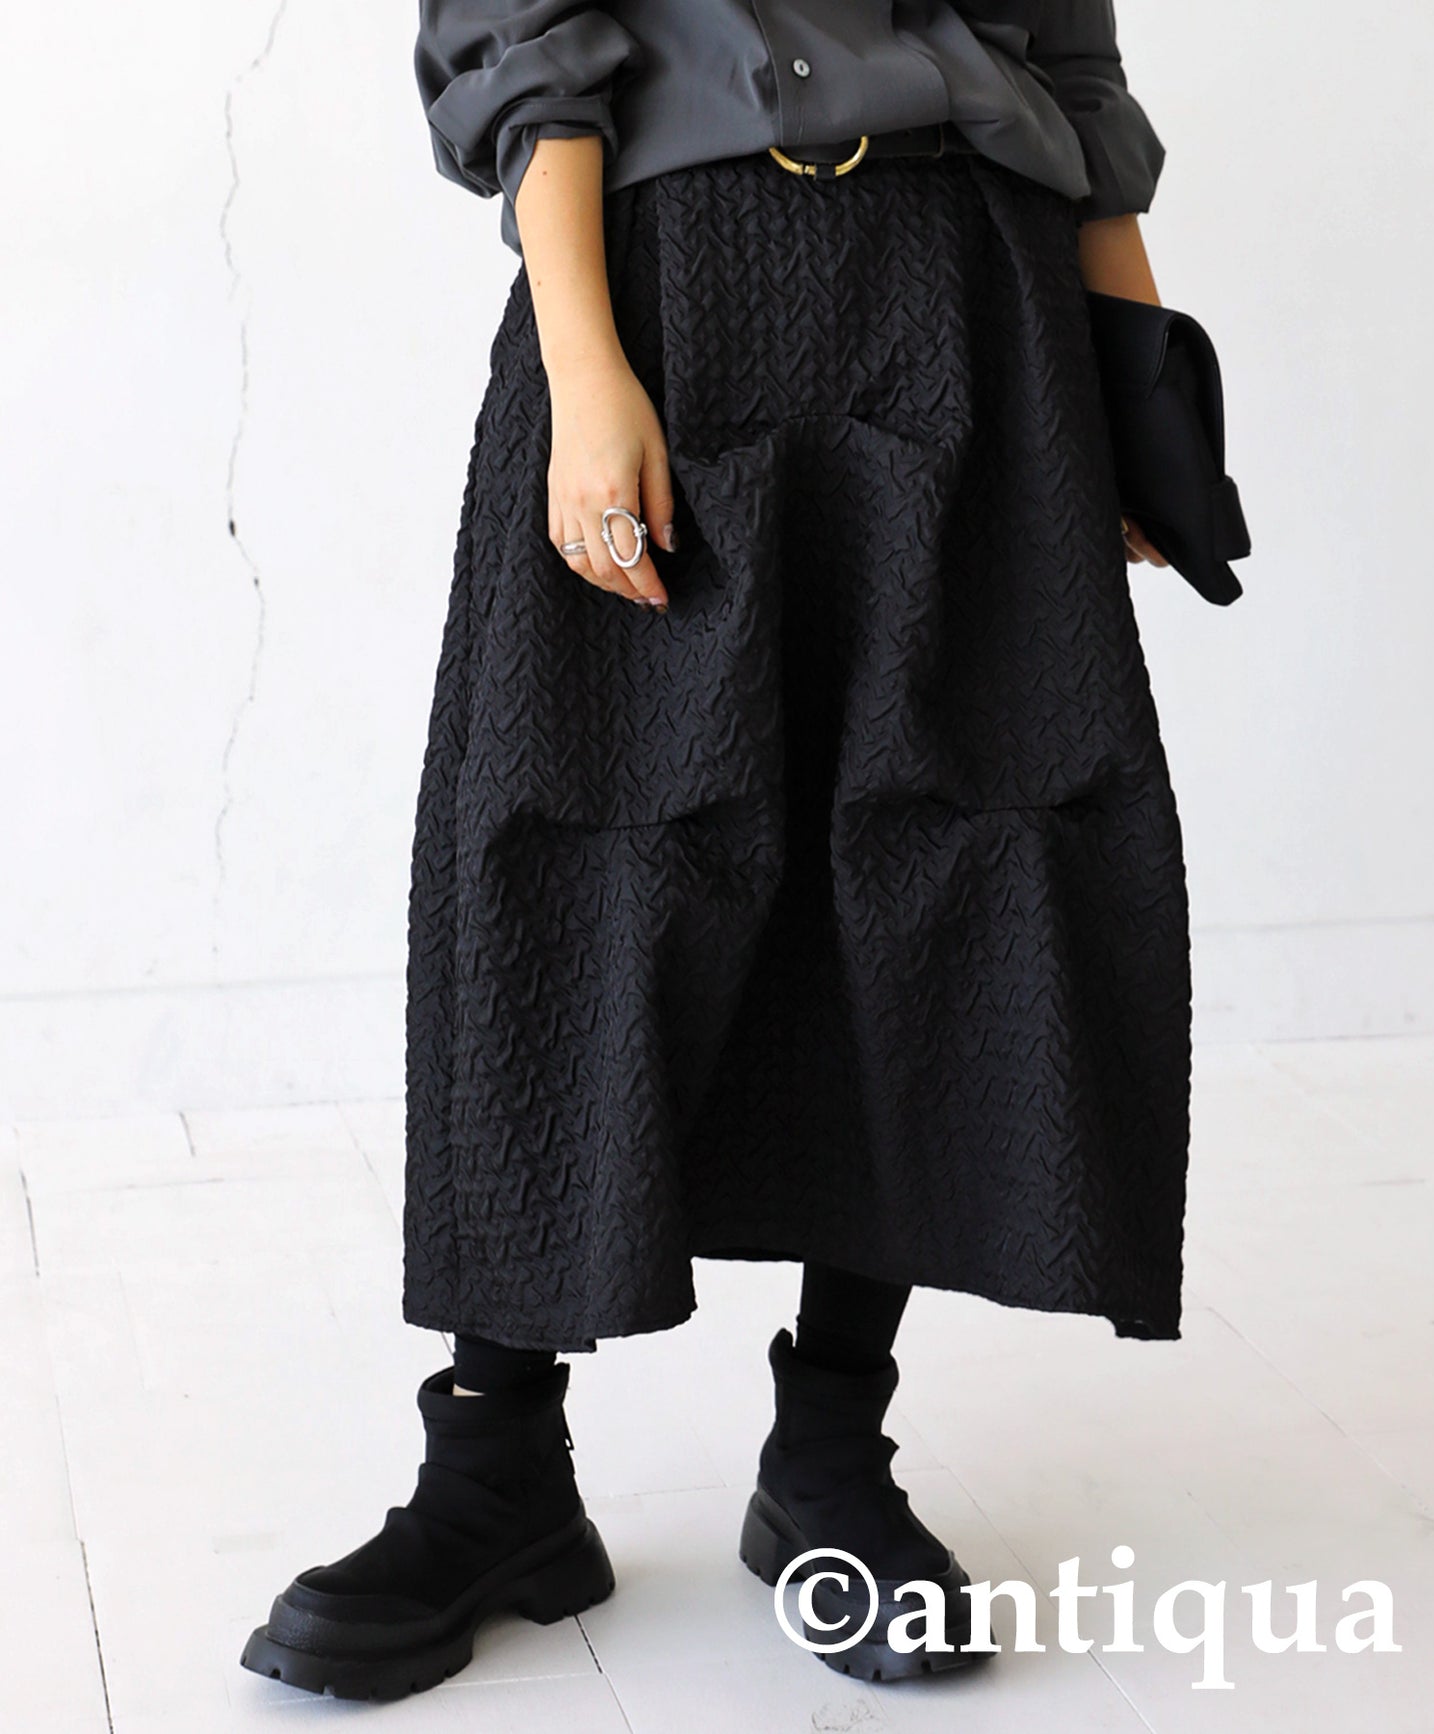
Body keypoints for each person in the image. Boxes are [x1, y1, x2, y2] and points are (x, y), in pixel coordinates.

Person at [242, 0, 1190, 1699]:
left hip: (972, 296)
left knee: (928, 864)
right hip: (664, 286)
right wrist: (583, 363)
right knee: (569, 858)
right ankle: (495, 1469)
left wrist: (1138, 399)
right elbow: (524, 43)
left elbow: (1068, 74)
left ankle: (828, 1455)